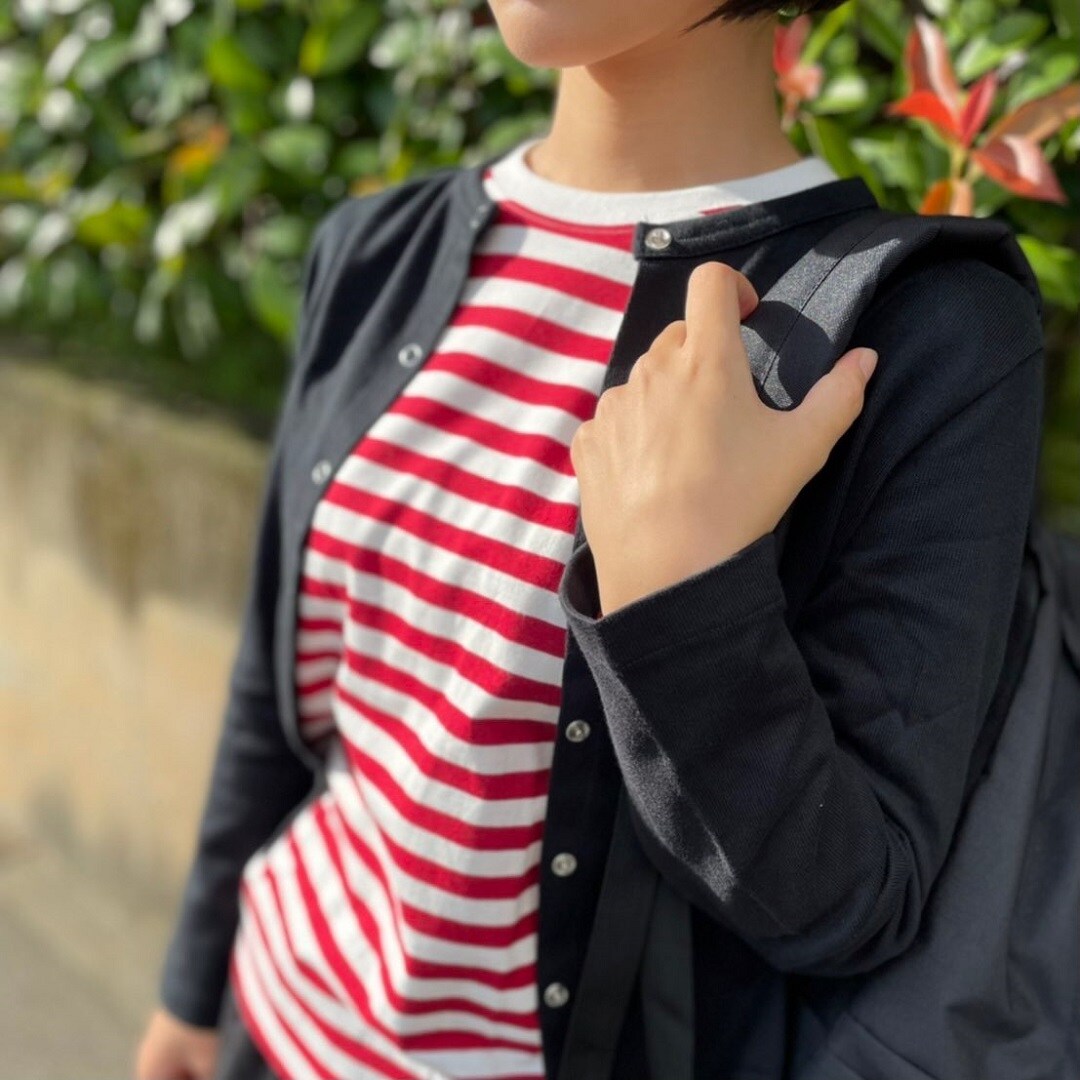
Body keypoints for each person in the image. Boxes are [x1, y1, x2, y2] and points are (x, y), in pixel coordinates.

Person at [133, 0, 1046, 1077]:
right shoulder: (374, 248)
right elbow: (280, 684)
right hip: (274, 1020)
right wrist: (194, 986)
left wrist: (685, 596)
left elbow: (852, 906)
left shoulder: (927, 333)